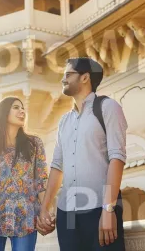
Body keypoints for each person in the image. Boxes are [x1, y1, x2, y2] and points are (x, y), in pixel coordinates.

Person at [37, 57, 128, 250]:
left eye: (68, 74)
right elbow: (57, 166)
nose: (63, 79)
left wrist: (108, 208)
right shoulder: (64, 122)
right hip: (66, 215)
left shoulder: (108, 108)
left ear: (85, 77)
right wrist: (44, 208)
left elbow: (117, 159)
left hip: (99, 209)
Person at [0, 96, 48, 251]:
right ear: (3, 113)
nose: (22, 111)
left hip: (25, 217)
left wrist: (45, 212)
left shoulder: (34, 143)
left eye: (22, 108)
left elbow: (41, 182)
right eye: (16, 107)